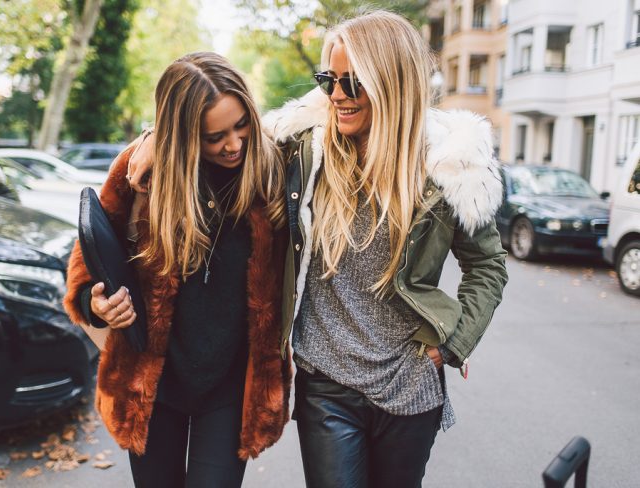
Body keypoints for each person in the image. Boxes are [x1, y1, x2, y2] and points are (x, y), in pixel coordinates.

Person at [261, 11, 509, 488]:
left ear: (392, 84)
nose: (336, 96)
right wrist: (150, 141)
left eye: (352, 84)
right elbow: (221, 144)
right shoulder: (308, 152)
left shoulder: (448, 168)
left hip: (410, 385)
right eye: (328, 80)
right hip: (326, 380)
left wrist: (453, 345)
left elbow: (488, 264)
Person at [63, 51, 291, 488]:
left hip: (231, 388)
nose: (234, 144)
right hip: (151, 385)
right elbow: (87, 265)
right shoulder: (138, 172)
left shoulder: (270, 171)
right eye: (215, 136)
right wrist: (97, 303)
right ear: (182, 136)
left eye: (242, 124)